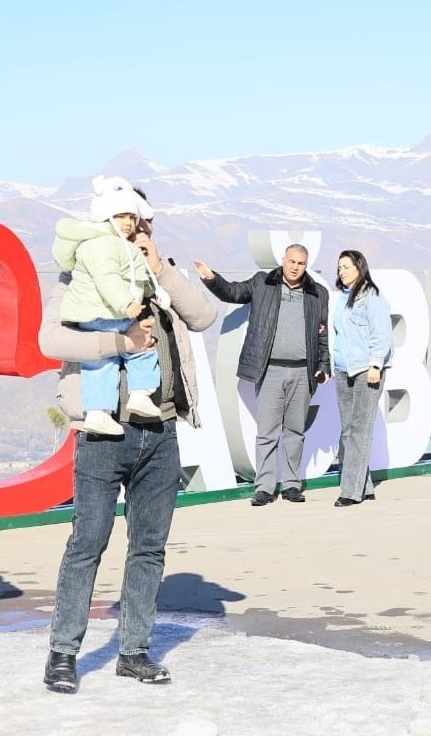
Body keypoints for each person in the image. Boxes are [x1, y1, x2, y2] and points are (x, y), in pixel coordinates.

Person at [41, 195, 217, 694]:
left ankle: (134, 650)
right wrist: (117, 344)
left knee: (149, 547)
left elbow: (203, 316)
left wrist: (160, 268)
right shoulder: (80, 274)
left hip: (160, 429)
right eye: (129, 220)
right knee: (87, 542)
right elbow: (49, 341)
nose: (137, 228)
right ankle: (63, 653)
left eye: (145, 222)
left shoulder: (159, 275)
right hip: (102, 432)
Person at [193, 245, 331, 506]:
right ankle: (265, 487)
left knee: (295, 431)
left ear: (306, 265)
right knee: (267, 431)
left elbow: (322, 333)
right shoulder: (262, 283)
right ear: (283, 260)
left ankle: (292, 485)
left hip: (303, 371)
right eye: (291, 261)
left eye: (300, 263)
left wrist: (324, 365)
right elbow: (233, 292)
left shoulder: (317, 293)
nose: (295, 267)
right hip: (270, 371)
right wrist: (212, 278)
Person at [52, 175, 168, 436]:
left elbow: (139, 275)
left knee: (104, 363)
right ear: (106, 216)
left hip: (103, 312)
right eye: (121, 216)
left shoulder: (120, 247)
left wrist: (155, 289)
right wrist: (127, 303)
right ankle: (135, 395)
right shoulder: (102, 245)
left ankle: (101, 410)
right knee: (139, 348)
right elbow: (108, 279)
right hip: (104, 313)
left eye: (131, 217)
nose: (128, 223)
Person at [331, 250, 393, 507]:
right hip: (343, 370)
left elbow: (382, 335)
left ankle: (351, 492)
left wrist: (376, 364)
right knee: (348, 431)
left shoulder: (372, 298)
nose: (341, 272)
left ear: (359, 268)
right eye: (339, 268)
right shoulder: (341, 299)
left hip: (366, 371)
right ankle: (365, 487)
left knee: (359, 430)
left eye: (346, 267)